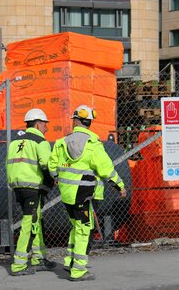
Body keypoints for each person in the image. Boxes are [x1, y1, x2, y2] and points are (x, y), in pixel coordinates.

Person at [48, 105, 126, 282]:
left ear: (75, 121)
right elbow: (106, 169)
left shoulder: (61, 143)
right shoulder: (93, 144)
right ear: (89, 123)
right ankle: (78, 270)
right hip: (84, 194)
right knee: (84, 229)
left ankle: (70, 261)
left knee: (77, 227)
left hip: (67, 195)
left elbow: (52, 166)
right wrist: (119, 185)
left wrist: (57, 177)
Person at [6, 108, 56, 276]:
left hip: (19, 187)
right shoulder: (40, 142)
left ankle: (38, 258)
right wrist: (52, 180)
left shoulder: (15, 142)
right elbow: (47, 165)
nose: (46, 128)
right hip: (33, 187)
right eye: (44, 125)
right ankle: (19, 265)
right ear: (38, 124)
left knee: (36, 221)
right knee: (29, 224)